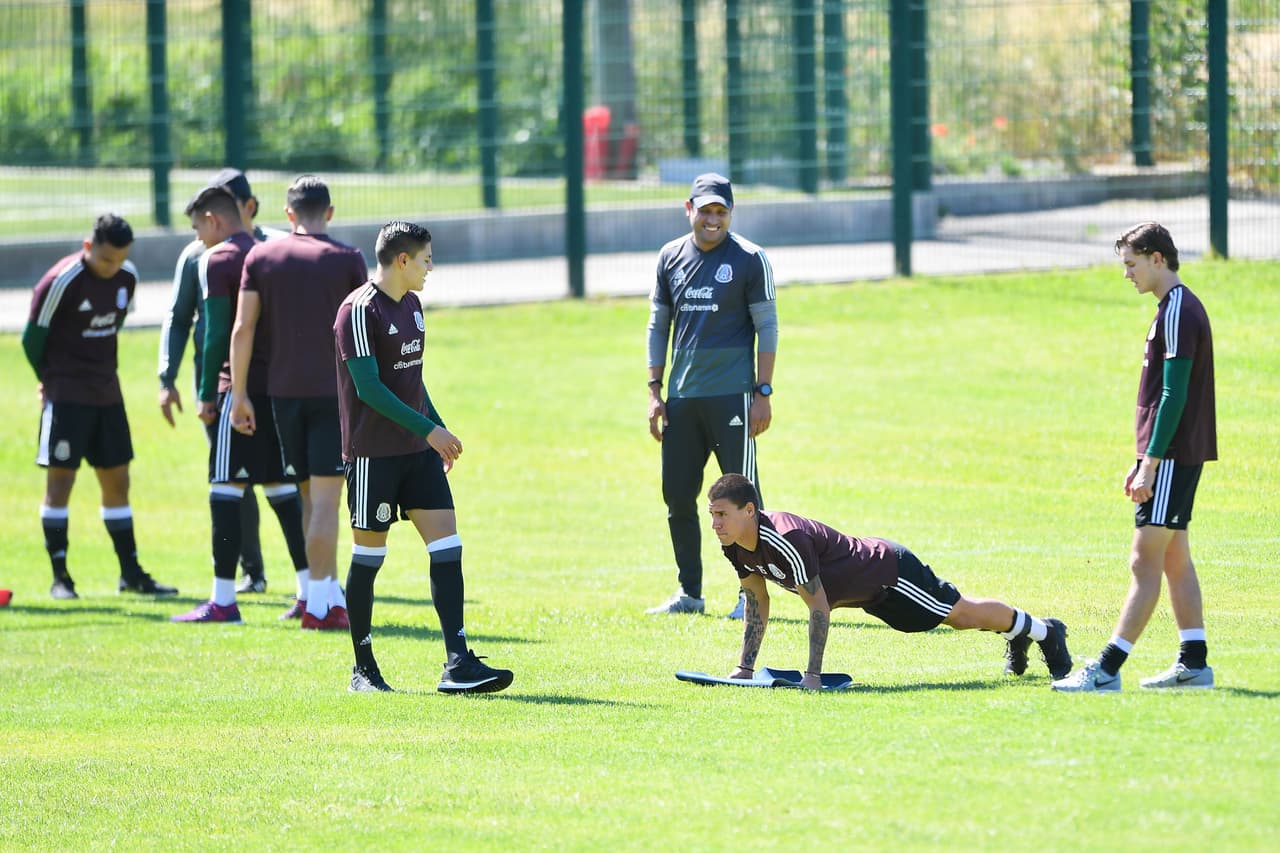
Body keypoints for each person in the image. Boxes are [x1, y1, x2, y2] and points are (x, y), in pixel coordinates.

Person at [333, 220, 513, 694]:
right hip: (373, 456)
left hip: (417, 453)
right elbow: (369, 389)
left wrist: (437, 428)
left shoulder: (413, 305)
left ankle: (458, 663)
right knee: (369, 558)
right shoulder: (357, 310)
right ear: (402, 261)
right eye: (426, 259)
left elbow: (413, 380)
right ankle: (364, 669)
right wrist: (429, 430)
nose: (431, 268)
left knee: (447, 547)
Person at [705, 474, 1072, 689]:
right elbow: (757, 600)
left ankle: (1046, 632)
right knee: (955, 617)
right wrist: (745, 668)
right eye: (712, 515)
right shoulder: (736, 545)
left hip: (889, 573)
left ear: (749, 510)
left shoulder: (787, 538)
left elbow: (817, 607)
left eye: (722, 514)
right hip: (868, 597)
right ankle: (1018, 635)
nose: (715, 524)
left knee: (961, 615)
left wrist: (812, 675)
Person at [1053, 223, 1217, 693]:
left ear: (1157, 259)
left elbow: (1173, 395)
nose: (1127, 274)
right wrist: (1144, 456)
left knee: (1143, 561)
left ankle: (1106, 668)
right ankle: (1194, 663)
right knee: (1173, 559)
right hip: (1167, 456)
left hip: (1171, 458)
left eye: (1132, 263)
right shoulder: (1170, 309)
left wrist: (1151, 461)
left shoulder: (1179, 311)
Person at [230, 175, 368, 628]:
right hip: (334, 395)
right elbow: (362, 328)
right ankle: (323, 605)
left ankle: (314, 595)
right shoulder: (348, 259)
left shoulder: (261, 256)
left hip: (281, 395)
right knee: (328, 502)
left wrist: (241, 394)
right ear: (328, 212)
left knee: (309, 497)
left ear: (288, 214)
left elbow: (243, 329)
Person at [169, 186, 310, 625]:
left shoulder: (220, 259)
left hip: (240, 388)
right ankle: (312, 591)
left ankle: (223, 601)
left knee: (225, 488)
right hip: (282, 389)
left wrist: (208, 393)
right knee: (282, 488)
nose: (198, 240)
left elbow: (216, 334)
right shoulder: (274, 251)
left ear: (213, 220)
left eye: (198, 229)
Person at [21, 214, 178, 599]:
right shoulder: (61, 282)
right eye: (106, 259)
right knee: (60, 483)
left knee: (118, 483)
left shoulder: (127, 278)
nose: (113, 268)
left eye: (120, 259)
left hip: (108, 396)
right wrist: (49, 379)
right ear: (88, 247)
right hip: (67, 398)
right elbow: (31, 338)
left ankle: (130, 574)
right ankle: (61, 577)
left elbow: (113, 326)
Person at [645, 173, 777, 618]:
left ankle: (752, 595)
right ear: (690, 210)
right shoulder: (669, 257)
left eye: (721, 212)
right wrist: (654, 391)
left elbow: (767, 329)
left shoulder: (750, 259)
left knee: (744, 501)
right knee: (678, 495)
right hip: (682, 399)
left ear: (730, 214)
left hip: (733, 399)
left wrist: (762, 391)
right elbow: (657, 327)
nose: (713, 219)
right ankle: (690, 593)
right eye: (705, 211)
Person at [157, 168, 284, 595]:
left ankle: (301, 584)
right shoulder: (198, 255)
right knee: (238, 476)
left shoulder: (277, 249)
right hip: (227, 385)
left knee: (259, 479)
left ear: (246, 208)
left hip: (256, 387)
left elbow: (227, 333)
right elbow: (180, 319)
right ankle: (257, 572)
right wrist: (168, 377)